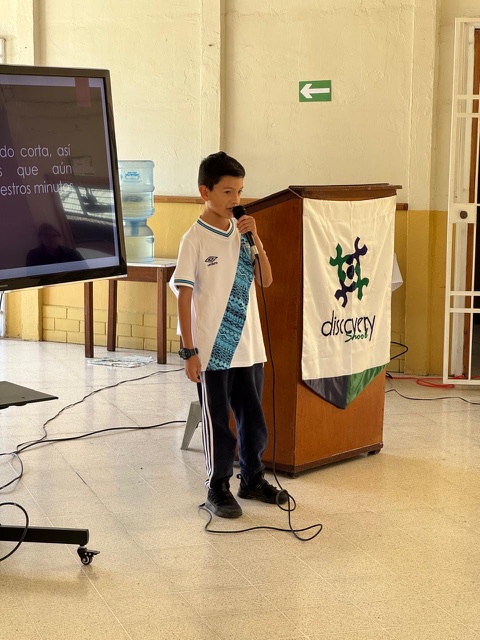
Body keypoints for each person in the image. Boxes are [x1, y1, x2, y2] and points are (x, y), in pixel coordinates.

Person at [170, 151, 287, 518]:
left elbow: (265, 279)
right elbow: (184, 296)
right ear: (205, 191)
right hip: (213, 350)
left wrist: (256, 240)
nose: (235, 200)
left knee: (253, 418)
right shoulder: (194, 239)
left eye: (240, 191)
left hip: (249, 347)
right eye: (227, 192)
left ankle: (251, 478)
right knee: (218, 421)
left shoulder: (243, 234)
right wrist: (189, 351)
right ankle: (217, 486)